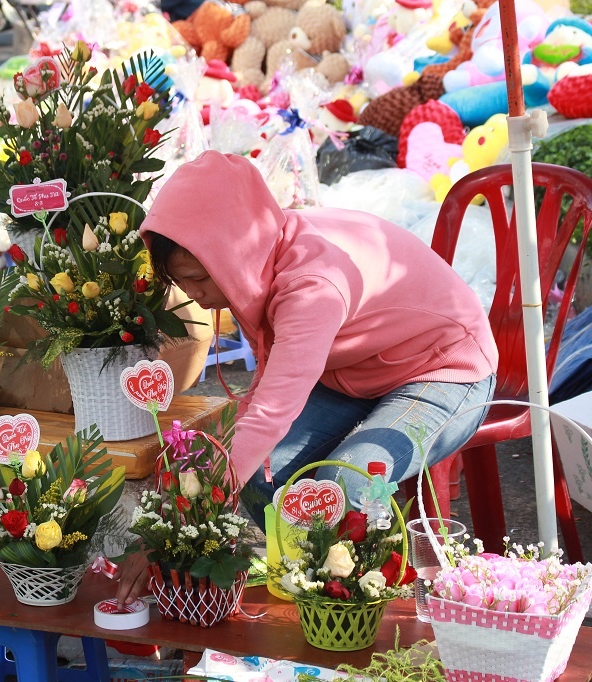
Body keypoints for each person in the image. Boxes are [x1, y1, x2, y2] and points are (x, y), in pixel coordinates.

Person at [114, 150, 498, 605]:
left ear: (231, 253)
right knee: (261, 476)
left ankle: (357, 606)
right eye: (184, 282)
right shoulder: (251, 260)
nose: (195, 294)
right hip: (351, 369)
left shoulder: (312, 286)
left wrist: (175, 523)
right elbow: (263, 394)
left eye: (199, 278)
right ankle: (310, 583)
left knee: (347, 485)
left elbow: (272, 410)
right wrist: (184, 500)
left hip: (442, 368)